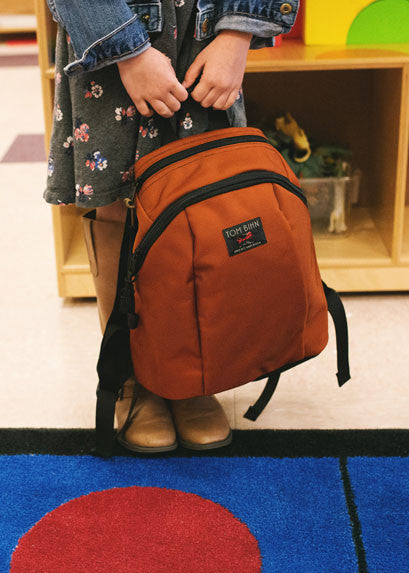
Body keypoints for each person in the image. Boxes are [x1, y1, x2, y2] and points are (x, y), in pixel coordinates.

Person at [42, 0, 298, 452]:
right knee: (120, 202)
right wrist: (127, 51)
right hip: (111, 34)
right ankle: (130, 377)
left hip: (205, 36)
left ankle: (193, 371)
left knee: (203, 200)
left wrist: (238, 35)